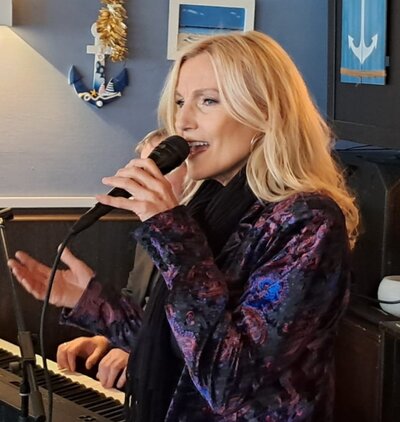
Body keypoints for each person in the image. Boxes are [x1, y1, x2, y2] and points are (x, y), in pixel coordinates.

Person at [9, 30, 359, 421]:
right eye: (179, 102)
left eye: (208, 101)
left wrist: (171, 234)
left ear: (264, 112)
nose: (183, 121)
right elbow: (183, 341)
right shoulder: (210, 205)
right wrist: (92, 302)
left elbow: (228, 381)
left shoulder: (307, 221)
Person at [53, 129, 187, 390]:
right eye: (142, 169)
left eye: (159, 169)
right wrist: (105, 339)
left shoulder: (206, 242)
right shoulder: (150, 230)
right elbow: (135, 300)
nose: (142, 181)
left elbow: (195, 337)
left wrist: (135, 352)